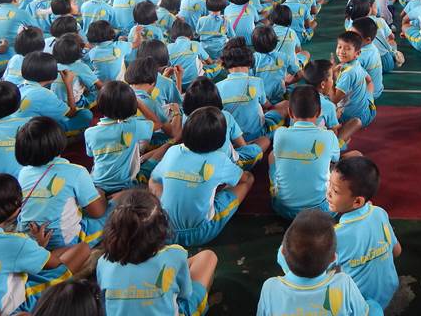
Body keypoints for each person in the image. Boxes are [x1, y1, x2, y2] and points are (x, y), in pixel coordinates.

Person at [0, 173, 90, 315]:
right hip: (3, 311)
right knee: (83, 249)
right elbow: (54, 264)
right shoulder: (16, 243)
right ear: (11, 210)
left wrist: (33, 248)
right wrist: (34, 248)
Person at [97, 189, 217, 316]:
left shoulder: (103, 262)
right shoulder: (175, 254)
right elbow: (185, 294)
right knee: (208, 256)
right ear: (161, 226)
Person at [150, 106, 253, 246]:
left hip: (165, 232)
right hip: (201, 232)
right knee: (248, 178)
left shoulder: (173, 151)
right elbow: (243, 179)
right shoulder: (219, 159)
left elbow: (153, 181)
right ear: (221, 139)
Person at [257, 209, 381, 315]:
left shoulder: (270, 288)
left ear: (282, 252)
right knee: (373, 306)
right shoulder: (344, 283)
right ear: (333, 258)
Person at [15, 116, 108, 249]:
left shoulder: (23, 173)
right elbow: (97, 212)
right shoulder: (77, 172)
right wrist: (102, 195)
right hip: (63, 242)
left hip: (28, 241)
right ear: (59, 140)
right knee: (117, 205)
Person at [327, 156, 401, 309]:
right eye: (329, 185)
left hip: (356, 304)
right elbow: (397, 251)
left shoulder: (335, 235)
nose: (328, 193)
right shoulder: (380, 213)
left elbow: (317, 273)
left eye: (335, 190)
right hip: (389, 293)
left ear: (357, 201)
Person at [270, 86, 341, 219]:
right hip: (322, 210)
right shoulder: (329, 136)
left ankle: (275, 189)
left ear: (290, 113)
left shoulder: (280, 133)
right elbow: (335, 160)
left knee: (271, 156)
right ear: (319, 112)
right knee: (341, 164)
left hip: (283, 208)